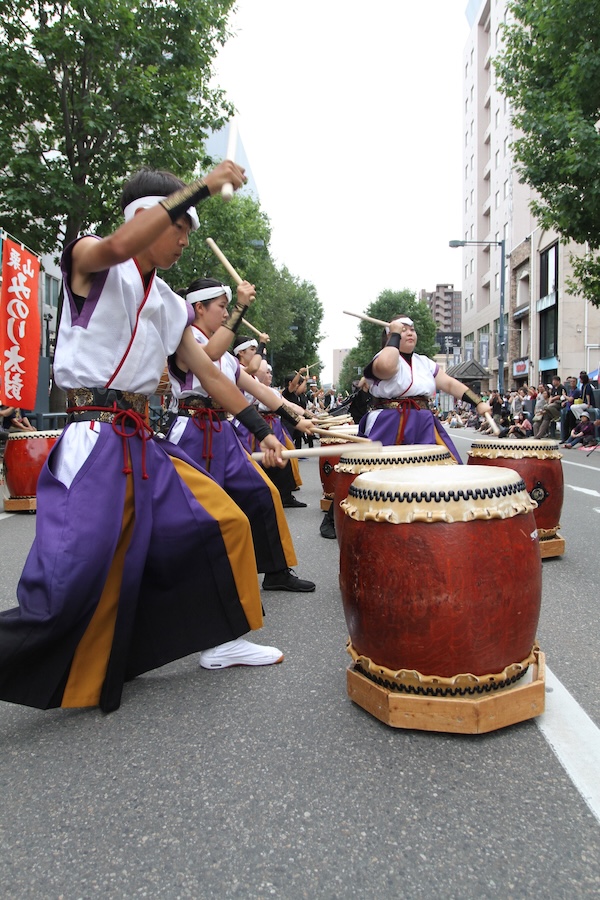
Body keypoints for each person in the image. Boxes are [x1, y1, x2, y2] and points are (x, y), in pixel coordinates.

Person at [0, 162, 291, 714]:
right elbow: (116, 249)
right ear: (145, 218)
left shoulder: (167, 303)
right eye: (177, 225)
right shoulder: (90, 260)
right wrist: (202, 185)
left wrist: (260, 429)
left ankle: (222, 641)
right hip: (95, 437)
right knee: (74, 579)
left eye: (187, 227)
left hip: (142, 441)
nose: (183, 238)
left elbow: (207, 373)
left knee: (224, 522)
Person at [164, 276, 315, 592]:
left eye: (226, 308)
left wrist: (296, 419)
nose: (224, 314)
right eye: (221, 307)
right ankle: (195, 584)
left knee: (263, 493)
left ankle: (275, 571)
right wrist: (241, 305)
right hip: (191, 432)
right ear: (199, 308)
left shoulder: (227, 358)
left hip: (222, 433)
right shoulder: (184, 337)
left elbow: (260, 390)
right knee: (195, 509)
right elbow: (207, 357)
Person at [358, 315, 491, 460]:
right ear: (390, 334)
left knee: (442, 467)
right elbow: (386, 366)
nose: (410, 333)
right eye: (403, 330)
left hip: (422, 421)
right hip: (389, 421)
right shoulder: (381, 358)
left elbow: (450, 384)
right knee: (383, 472)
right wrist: (394, 335)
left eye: (412, 330)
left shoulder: (424, 362)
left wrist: (477, 402)